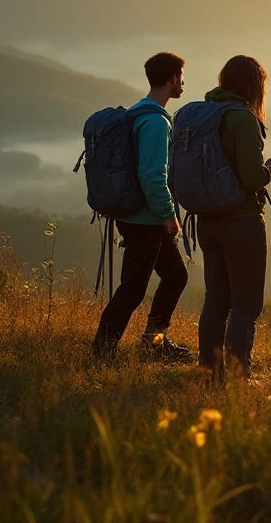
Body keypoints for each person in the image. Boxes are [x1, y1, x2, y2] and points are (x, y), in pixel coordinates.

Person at [91, 52, 192, 361]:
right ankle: (102, 352)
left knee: (175, 276)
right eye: (182, 76)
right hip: (146, 219)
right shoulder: (155, 122)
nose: (183, 82)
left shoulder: (137, 113)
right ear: (173, 78)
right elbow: (151, 175)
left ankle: (154, 342)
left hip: (137, 214)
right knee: (133, 289)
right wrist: (168, 214)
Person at [196, 55, 271, 382]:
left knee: (215, 299)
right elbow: (250, 178)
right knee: (245, 304)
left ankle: (210, 370)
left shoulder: (205, 113)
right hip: (241, 221)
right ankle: (236, 375)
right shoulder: (243, 118)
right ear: (254, 85)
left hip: (206, 220)